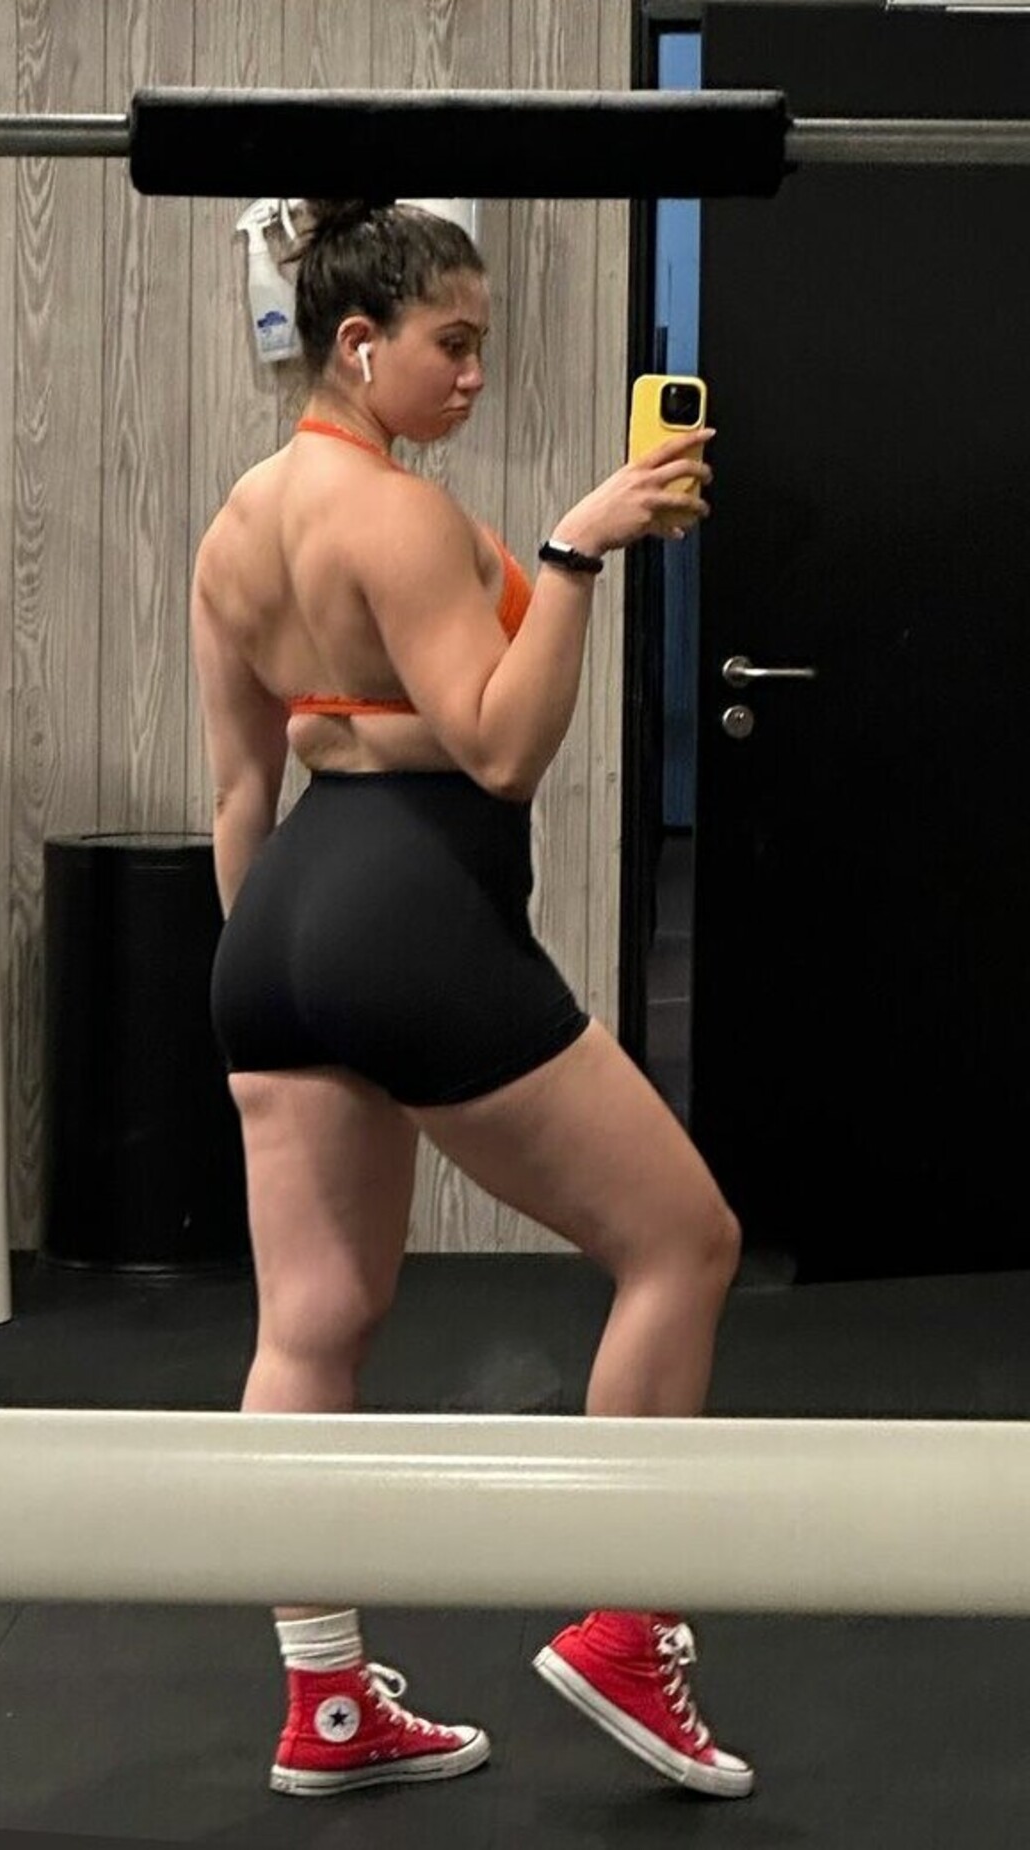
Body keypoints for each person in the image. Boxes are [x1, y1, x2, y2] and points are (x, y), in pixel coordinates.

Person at [191, 197, 752, 1801]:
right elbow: (503, 745)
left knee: (311, 1322)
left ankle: (327, 1703)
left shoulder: (236, 527)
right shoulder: (400, 514)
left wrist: (289, 974)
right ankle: (627, 1624)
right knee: (683, 1240)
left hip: (276, 931)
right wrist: (576, 550)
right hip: (409, 908)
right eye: (451, 344)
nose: (473, 375)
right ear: (358, 343)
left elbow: (244, 787)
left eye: (483, 346)